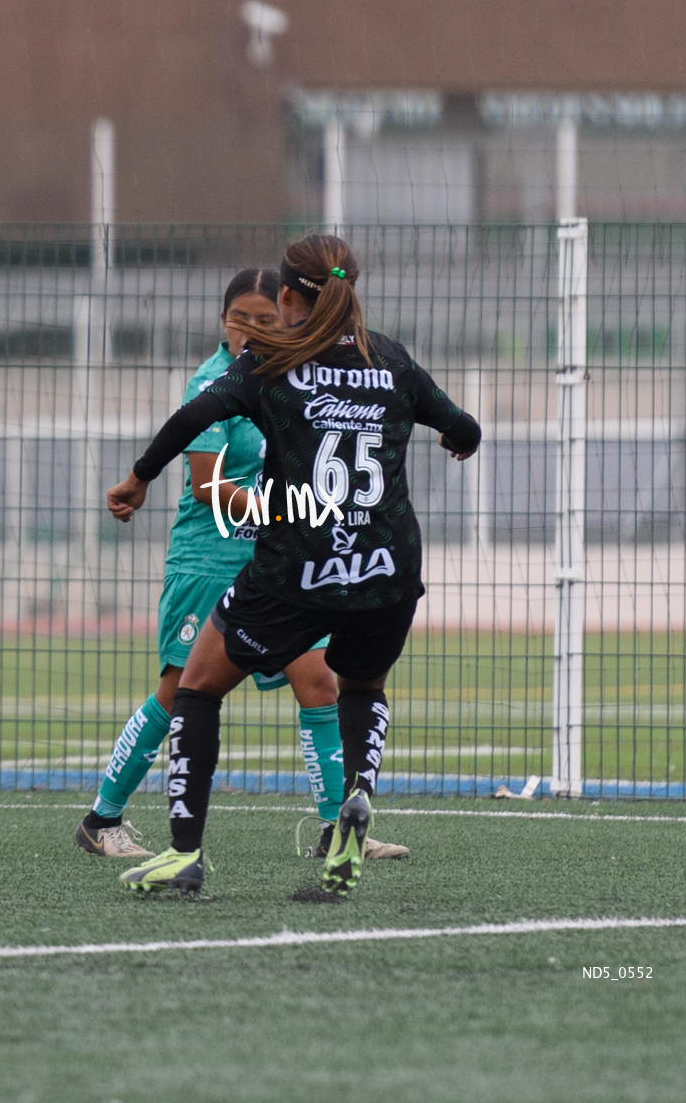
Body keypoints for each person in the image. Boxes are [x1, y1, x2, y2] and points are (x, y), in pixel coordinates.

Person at [104, 233, 480, 896]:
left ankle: (184, 852)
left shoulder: (274, 363)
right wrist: (455, 437)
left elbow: (195, 415)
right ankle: (352, 816)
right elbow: (463, 426)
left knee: (196, 686)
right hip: (388, 568)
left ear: (286, 296)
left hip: (295, 566)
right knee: (359, 685)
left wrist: (137, 478)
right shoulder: (390, 360)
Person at [74, 269, 407, 863]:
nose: (252, 330)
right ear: (222, 320)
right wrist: (286, 514)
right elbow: (207, 486)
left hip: (277, 566)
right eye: (240, 319)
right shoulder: (211, 382)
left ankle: (337, 829)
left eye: (265, 320)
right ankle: (102, 819)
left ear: (285, 317)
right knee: (179, 692)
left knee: (321, 682)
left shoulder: (288, 378)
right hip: (209, 561)